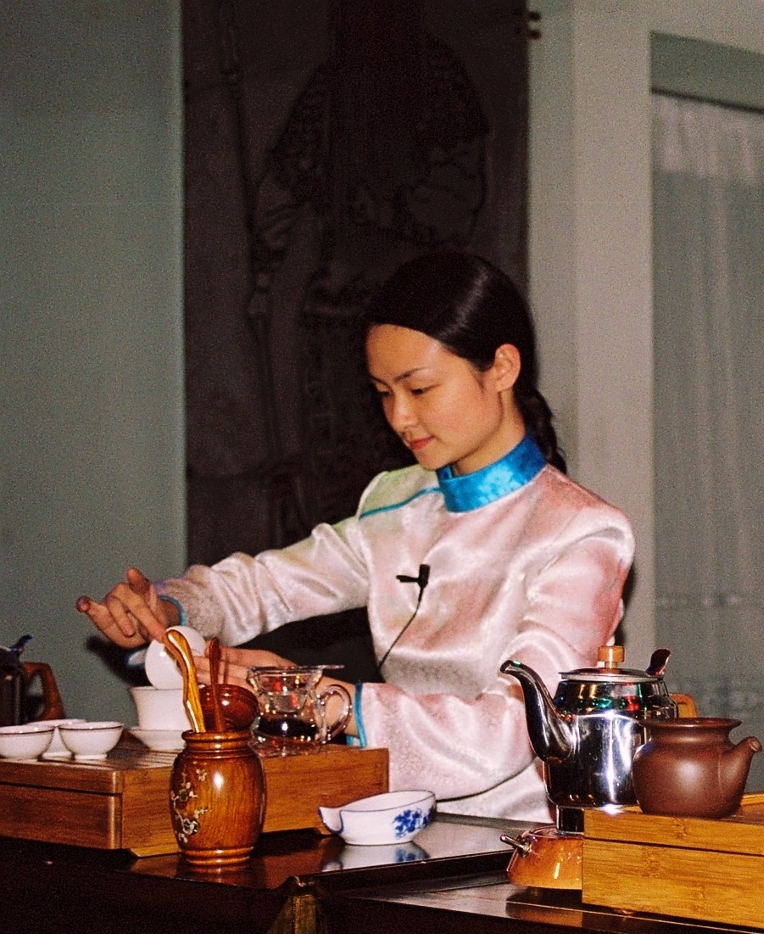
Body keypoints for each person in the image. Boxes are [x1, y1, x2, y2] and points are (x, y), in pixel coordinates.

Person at [81, 250, 633, 823]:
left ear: (501, 368)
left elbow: (511, 730)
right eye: (382, 392)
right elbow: (268, 584)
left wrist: (331, 703)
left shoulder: (581, 531)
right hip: (396, 821)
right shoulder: (395, 501)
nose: (399, 418)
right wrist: (167, 608)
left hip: (524, 843)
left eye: (419, 390)